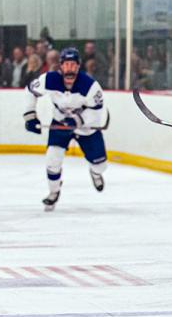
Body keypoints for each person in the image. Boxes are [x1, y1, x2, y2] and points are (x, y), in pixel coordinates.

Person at [23, 47, 108, 211]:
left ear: (78, 66)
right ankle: (53, 192)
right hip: (60, 122)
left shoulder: (90, 86)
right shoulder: (49, 79)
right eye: (66, 65)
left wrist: (77, 120)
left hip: (85, 127)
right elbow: (30, 91)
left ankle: (95, 173)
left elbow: (96, 113)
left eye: (73, 65)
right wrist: (30, 115)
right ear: (61, 66)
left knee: (101, 164)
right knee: (52, 160)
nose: (70, 69)